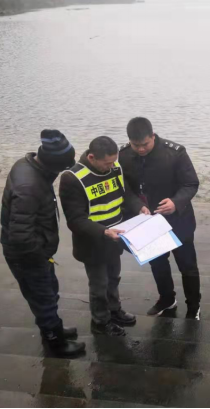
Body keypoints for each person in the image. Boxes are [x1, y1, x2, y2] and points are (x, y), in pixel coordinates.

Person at [1, 130, 85, 357]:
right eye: (64, 166)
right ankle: (55, 343)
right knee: (43, 298)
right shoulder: (29, 186)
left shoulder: (31, 167)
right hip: (27, 255)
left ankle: (54, 329)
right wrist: (40, 257)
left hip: (39, 249)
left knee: (49, 291)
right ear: (53, 164)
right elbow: (20, 236)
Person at [60, 137, 148, 336]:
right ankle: (100, 322)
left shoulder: (115, 167)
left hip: (117, 237)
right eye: (107, 163)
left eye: (113, 161)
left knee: (114, 277)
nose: (111, 166)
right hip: (93, 242)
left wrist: (139, 207)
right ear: (92, 157)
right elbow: (75, 220)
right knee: (99, 284)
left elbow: (126, 194)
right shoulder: (73, 178)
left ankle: (114, 310)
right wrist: (104, 232)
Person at [119, 117, 202, 320]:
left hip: (178, 219)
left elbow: (191, 183)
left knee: (187, 266)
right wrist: (137, 206)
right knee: (157, 263)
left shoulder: (175, 153)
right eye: (135, 145)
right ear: (129, 141)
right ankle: (167, 299)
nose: (140, 149)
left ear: (153, 136)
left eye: (145, 144)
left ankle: (194, 306)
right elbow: (124, 188)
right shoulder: (123, 156)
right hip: (147, 220)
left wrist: (176, 202)